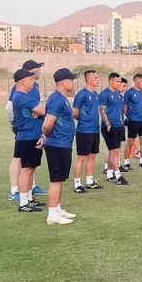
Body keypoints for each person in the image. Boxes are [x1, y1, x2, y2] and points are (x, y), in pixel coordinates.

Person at [42, 69, 80, 225]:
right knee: (56, 180)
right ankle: (52, 215)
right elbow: (47, 124)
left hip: (63, 143)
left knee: (60, 179)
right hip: (57, 144)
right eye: (71, 80)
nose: (73, 82)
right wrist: (47, 135)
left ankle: (57, 208)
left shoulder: (62, 98)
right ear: (63, 82)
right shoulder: (56, 99)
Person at [11, 68, 46, 212]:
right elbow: (44, 111)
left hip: (32, 136)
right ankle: (23, 202)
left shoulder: (24, 96)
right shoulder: (22, 96)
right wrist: (40, 111)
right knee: (26, 170)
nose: (33, 82)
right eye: (31, 79)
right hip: (27, 138)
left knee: (31, 170)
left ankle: (29, 198)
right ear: (23, 81)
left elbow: (40, 112)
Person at [72, 70, 102, 193]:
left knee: (92, 156)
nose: (98, 79)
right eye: (96, 77)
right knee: (81, 157)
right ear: (89, 80)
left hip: (95, 130)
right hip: (84, 131)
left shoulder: (95, 94)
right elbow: (74, 112)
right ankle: (77, 184)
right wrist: (84, 120)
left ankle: (90, 181)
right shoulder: (82, 94)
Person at [99, 73, 129, 185]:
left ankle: (110, 174)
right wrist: (107, 124)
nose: (119, 83)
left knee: (115, 152)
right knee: (114, 151)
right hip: (110, 127)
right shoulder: (104, 94)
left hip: (119, 126)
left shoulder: (119, 94)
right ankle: (118, 176)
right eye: (117, 81)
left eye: (120, 81)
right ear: (111, 81)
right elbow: (102, 111)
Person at [124, 74, 142, 169]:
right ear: (135, 81)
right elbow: (125, 106)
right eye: (141, 81)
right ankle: (126, 162)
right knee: (130, 142)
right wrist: (130, 117)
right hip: (133, 120)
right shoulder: (129, 93)